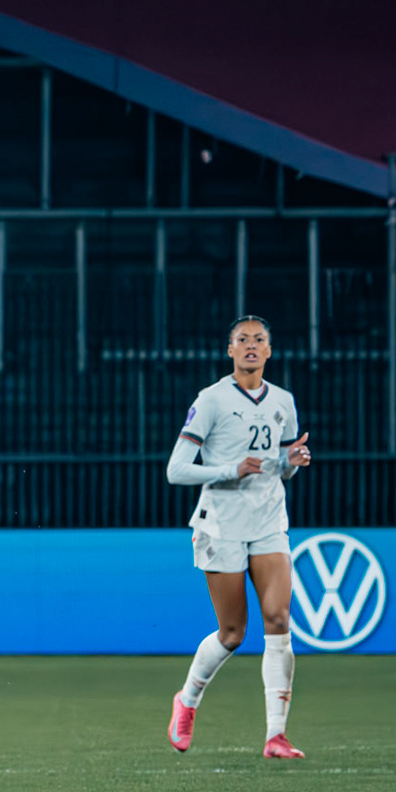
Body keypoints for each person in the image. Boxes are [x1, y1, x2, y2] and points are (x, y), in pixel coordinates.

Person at [166, 315, 311, 760]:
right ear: (229, 350)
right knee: (232, 633)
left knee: (279, 618)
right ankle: (187, 699)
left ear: (269, 350)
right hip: (222, 524)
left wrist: (293, 460)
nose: (251, 346)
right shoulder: (211, 400)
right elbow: (176, 470)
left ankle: (276, 735)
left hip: (268, 521)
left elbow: (279, 465)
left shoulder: (283, 401)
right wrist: (230, 469)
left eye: (259, 340)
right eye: (242, 339)